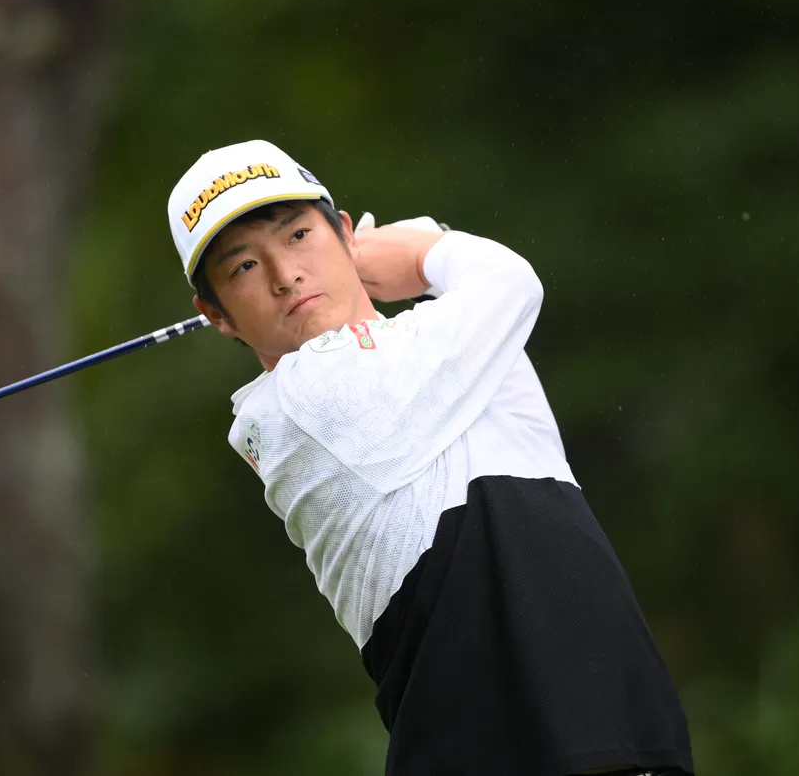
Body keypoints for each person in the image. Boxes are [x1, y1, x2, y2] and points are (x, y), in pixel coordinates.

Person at [168, 139, 694, 776]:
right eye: (244, 267)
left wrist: (427, 251)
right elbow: (509, 281)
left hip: (621, 730)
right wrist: (425, 252)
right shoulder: (294, 406)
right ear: (216, 314)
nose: (286, 275)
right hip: (488, 748)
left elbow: (483, 302)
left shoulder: (445, 358)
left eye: (298, 235)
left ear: (344, 233)